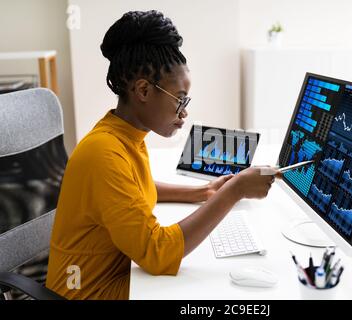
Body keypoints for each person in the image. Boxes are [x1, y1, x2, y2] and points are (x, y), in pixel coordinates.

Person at [46, 10, 280, 300]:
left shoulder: (123, 134)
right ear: (143, 90)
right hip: (85, 292)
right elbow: (156, 254)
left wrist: (200, 192)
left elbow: (131, 191)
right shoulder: (103, 153)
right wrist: (233, 191)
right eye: (180, 100)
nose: (184, 112)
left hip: (113, 276)